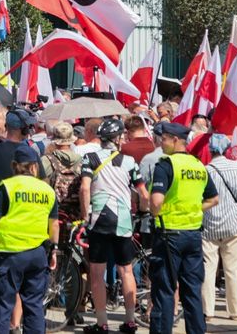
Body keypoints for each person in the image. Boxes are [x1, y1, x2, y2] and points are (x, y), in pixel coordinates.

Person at [80, 117, 150, 333]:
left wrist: (85, 216)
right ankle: (130, 320)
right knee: (126, 270)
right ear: (118, 138)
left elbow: (84, 189)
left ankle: (102, 323)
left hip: (99, 219)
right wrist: (143, 210)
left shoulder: (89, 158)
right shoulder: (129, 162)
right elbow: (143, 194)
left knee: (97, 273)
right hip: (123, 221)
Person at [0, 144, 60, 334]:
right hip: (37, 253)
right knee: (34, 306)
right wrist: (54, 250)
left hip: (9, 253)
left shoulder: (7, 187)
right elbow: (55, 224)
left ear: (14, 165)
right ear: (34, 167)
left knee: (2, 306)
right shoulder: (47, 190)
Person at [148, 121, 218, 334]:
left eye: (165, 139)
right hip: (193, 234)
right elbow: (214, 199)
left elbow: (157, 201)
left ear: (176, 140)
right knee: (192, 291)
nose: (162, 143)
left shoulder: (166, 165)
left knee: (165, 290)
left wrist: (155, 212)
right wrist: (194, 209)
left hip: (169, 234)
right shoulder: (198, 165)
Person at [200, 133, 237, 321]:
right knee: (233, 269)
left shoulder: (204, 170)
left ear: (210, 150)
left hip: (209, 224)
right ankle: (236, 310)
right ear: (227, 149)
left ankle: (208, 311)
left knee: (208, 269)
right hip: (233, 224)